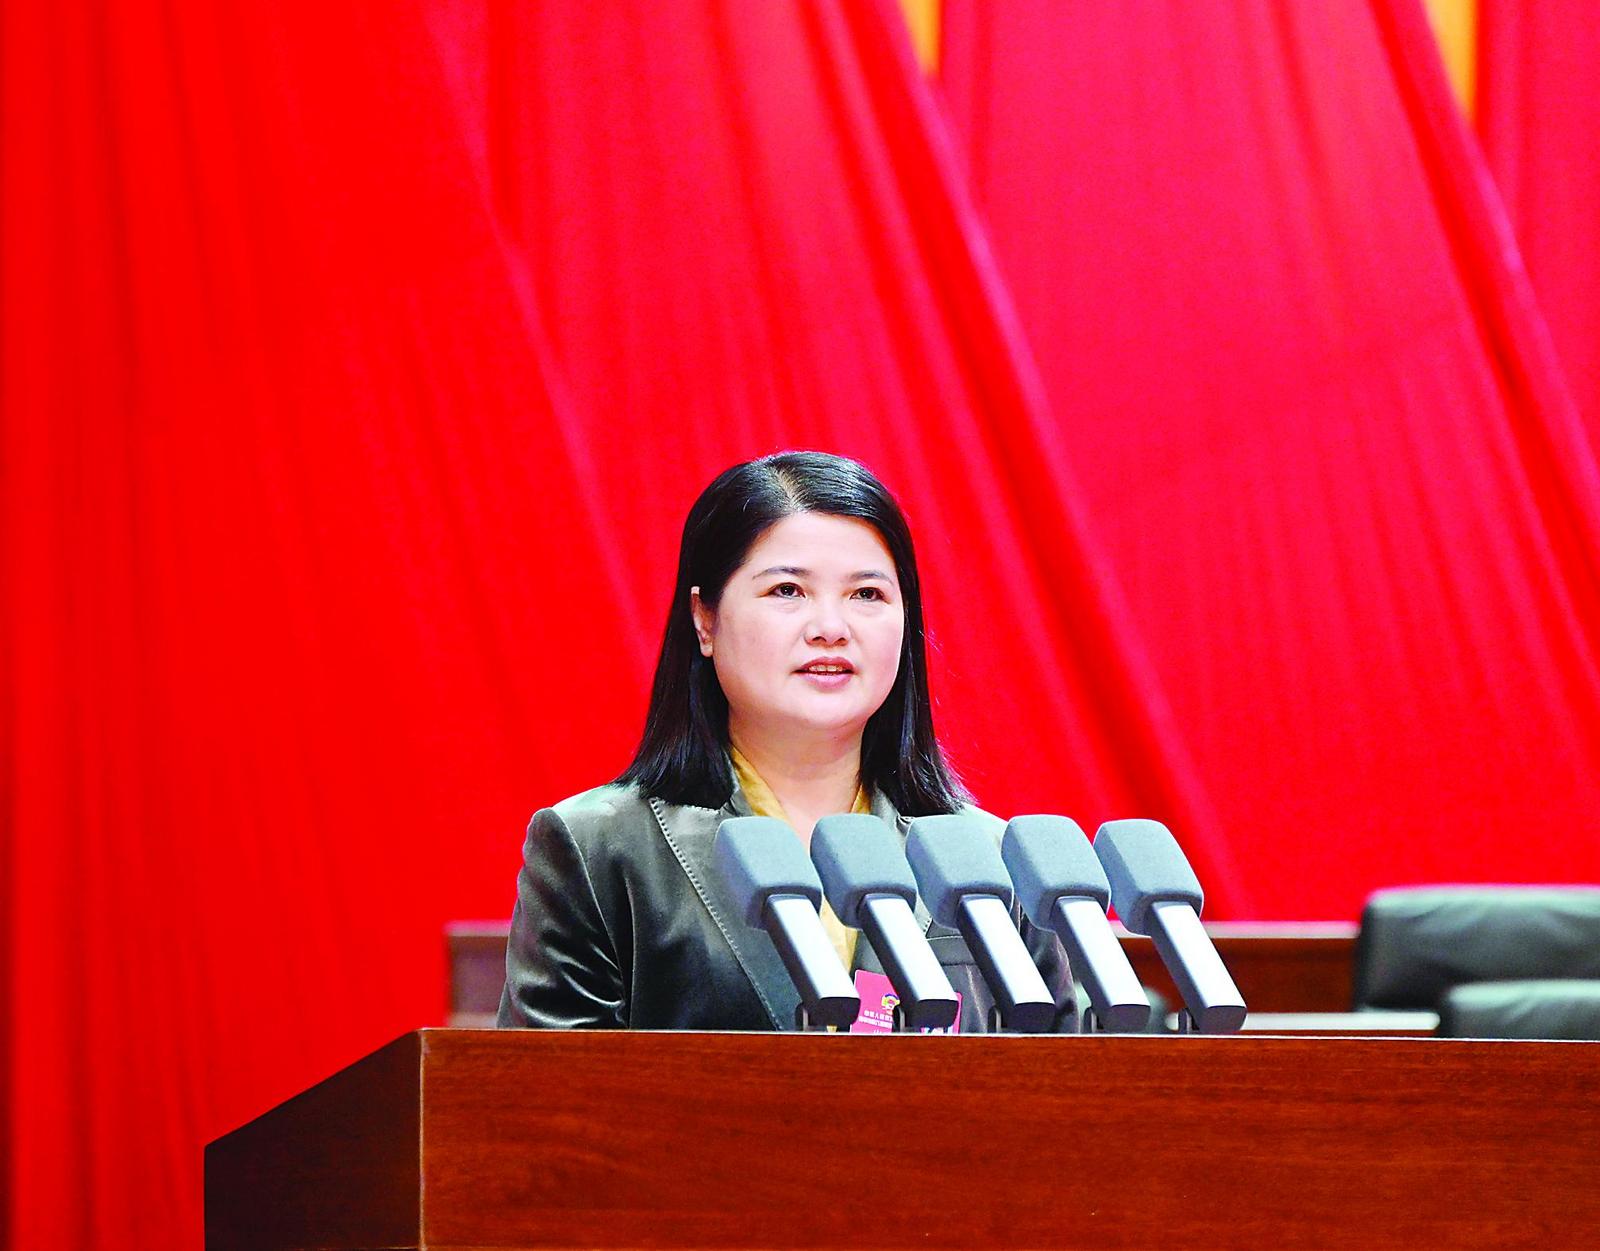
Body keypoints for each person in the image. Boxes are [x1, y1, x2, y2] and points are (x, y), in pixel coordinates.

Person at [498, 451, 1076, 1031]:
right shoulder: (601, 848)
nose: (830, 628)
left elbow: (1056, 1078)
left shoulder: (988, 860)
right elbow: (550, 1086)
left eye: (867, 595)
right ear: (704, 619)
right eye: (787, 590)